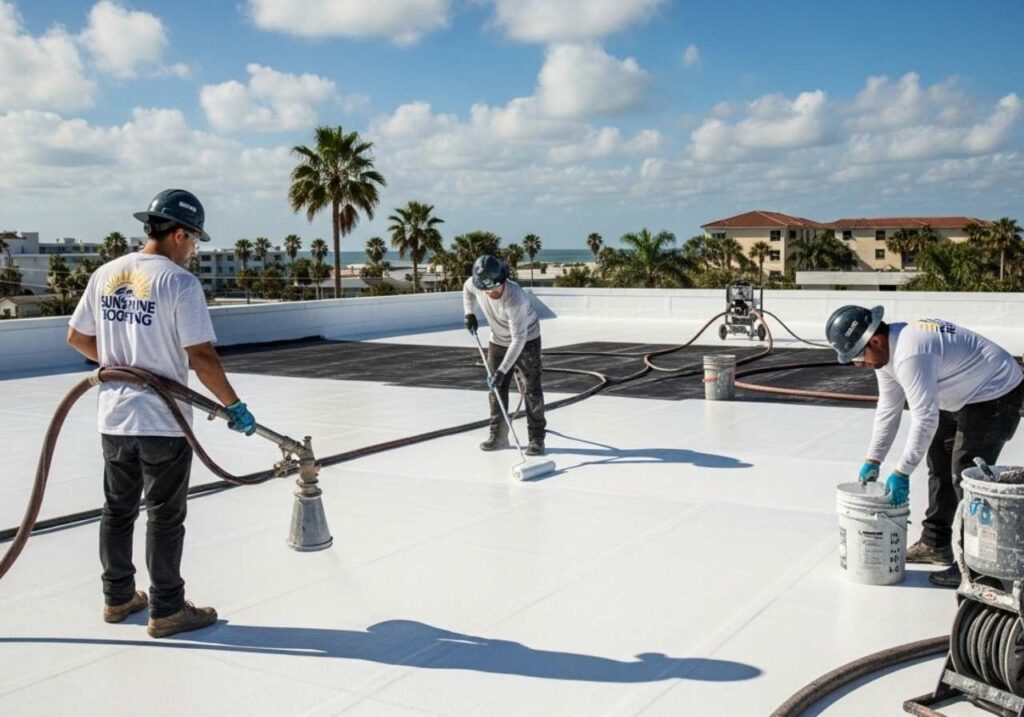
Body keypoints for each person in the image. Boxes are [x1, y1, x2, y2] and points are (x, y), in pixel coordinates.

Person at [67, 189, 257, 637]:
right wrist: (233, 405)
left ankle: (117, 599)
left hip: (114, 417)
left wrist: (122, 365)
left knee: (117, 511)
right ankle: (168, 610)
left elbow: (76, 337)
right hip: (161, 421)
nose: (194, 250)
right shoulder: (179, 283)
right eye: (195, 241)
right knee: (164, 516)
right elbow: (202, 356)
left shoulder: (106, 273)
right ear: (179, 234)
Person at [825, 305, 1023, 588]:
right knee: (939, 464)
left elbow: (925, 418)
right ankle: (935, 544)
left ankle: (976, 566)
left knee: (967, 476)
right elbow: (888, 410)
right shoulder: (885, 356)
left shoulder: (910, 352)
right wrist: (874, 459)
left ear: (875, 340)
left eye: (858, 355)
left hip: (995, 391)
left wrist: (902, 472)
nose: (859, 364)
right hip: (960, 393)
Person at [463, 255, 547, 455]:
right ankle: (498, 436)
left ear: (503, 280)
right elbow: (467, 290)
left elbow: (518, 339)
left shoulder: (515, 298)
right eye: (487, 290)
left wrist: (501, 371)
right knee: (496, 390)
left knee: (531, 390)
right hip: (498, 340)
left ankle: (536, 439)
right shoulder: (476, 284)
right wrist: (469, 314)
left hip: (527, 341)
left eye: (496, 288)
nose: (492, 293)